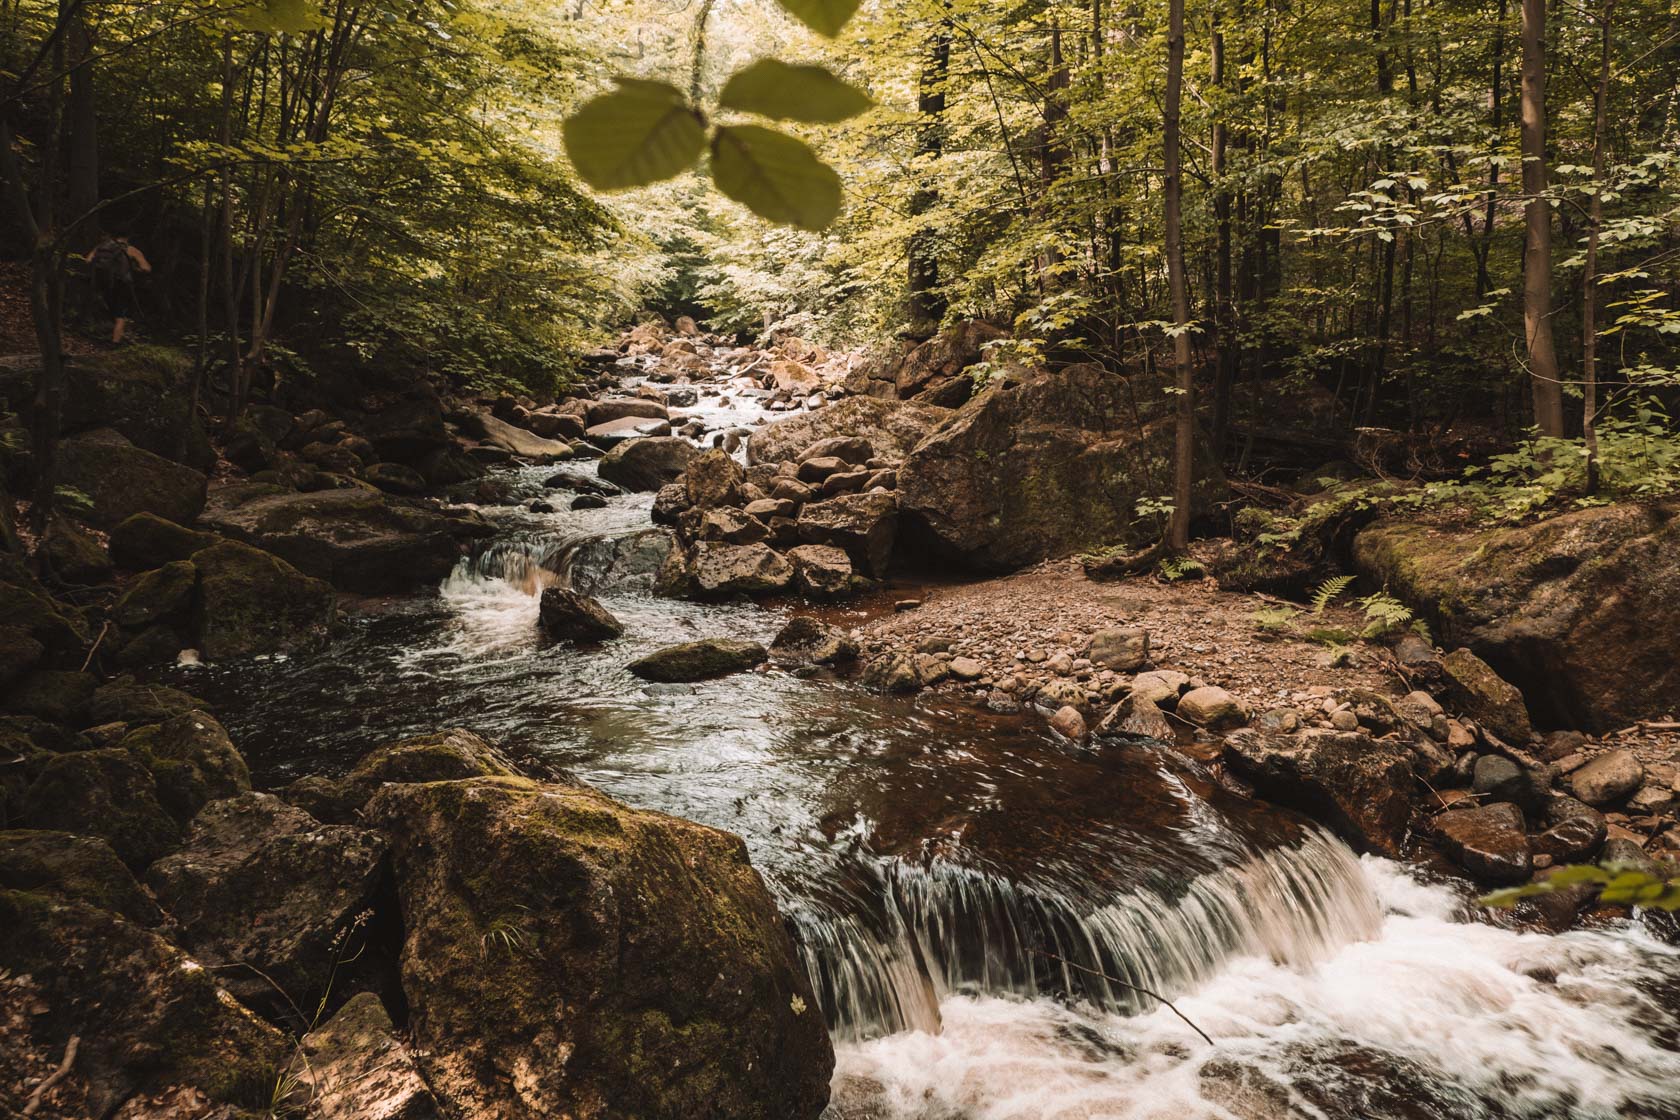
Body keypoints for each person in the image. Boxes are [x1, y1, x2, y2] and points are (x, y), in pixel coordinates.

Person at [85, 233, 151, 344]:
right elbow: (146, 268)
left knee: (108, 308)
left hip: (102, 283)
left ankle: (101, 332)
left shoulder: (101, 247)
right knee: (120, 315)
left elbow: (88, 260)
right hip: (121, 285)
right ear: (128, 237)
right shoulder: (131, 250)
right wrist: (135, 269)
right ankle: (115, 342)